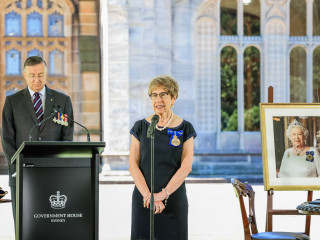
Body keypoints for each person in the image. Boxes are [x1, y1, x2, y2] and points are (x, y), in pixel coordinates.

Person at [1, 56, 74, 222]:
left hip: (53, 174)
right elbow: (7, 138)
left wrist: (58, 166)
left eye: (40, 75)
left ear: (46, 74)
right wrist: (17, 167)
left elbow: (67, 137)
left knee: (51, 223)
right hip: (22, 174)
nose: (37, 79)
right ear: (25, 75)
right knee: (24, 224)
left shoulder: (63, 101)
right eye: (32, 75)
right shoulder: (12, 102)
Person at [129, 75, 197, 239]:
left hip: (173, 199)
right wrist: (148, 196)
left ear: (173, 98)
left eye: (163, 94)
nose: (157, 99)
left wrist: (162, 195)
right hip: (144, 200)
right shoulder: (140, 127)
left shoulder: (185, 128)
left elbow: (186, 166)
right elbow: (133, 164)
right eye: (154, 95)